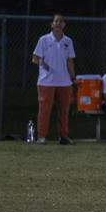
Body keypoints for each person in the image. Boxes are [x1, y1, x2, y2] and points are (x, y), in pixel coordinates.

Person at [31, 13, 76, 145]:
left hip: (64, 82)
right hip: (46, 81)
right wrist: (45, 66)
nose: (58, 23)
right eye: (56, 21)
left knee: (64, 111)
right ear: (52, 24)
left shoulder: (68, 41)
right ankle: (41, 137)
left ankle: (63, 136)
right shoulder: (44, 40)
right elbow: (35, 59)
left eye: (61, 21)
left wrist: (73, 78)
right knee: (45, 111)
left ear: (64, 24)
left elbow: (70, 61)